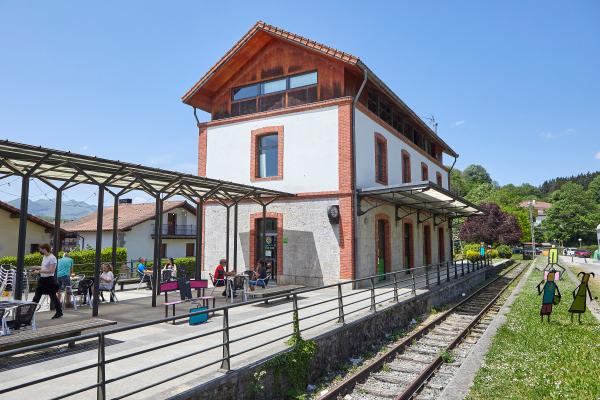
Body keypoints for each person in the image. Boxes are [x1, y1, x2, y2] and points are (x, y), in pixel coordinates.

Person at [31, 243, 62, 319]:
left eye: (40, 249)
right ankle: (30, 314)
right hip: (42, 280)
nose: (40, 251)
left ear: (45, 249)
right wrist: (37, 267)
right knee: (36, 297)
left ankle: (59, 312)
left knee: (53, 297)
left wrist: (39, 272)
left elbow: (51, 271)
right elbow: (44, 267)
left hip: (49, 280)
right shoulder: (44, 257)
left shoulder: (52, 258)